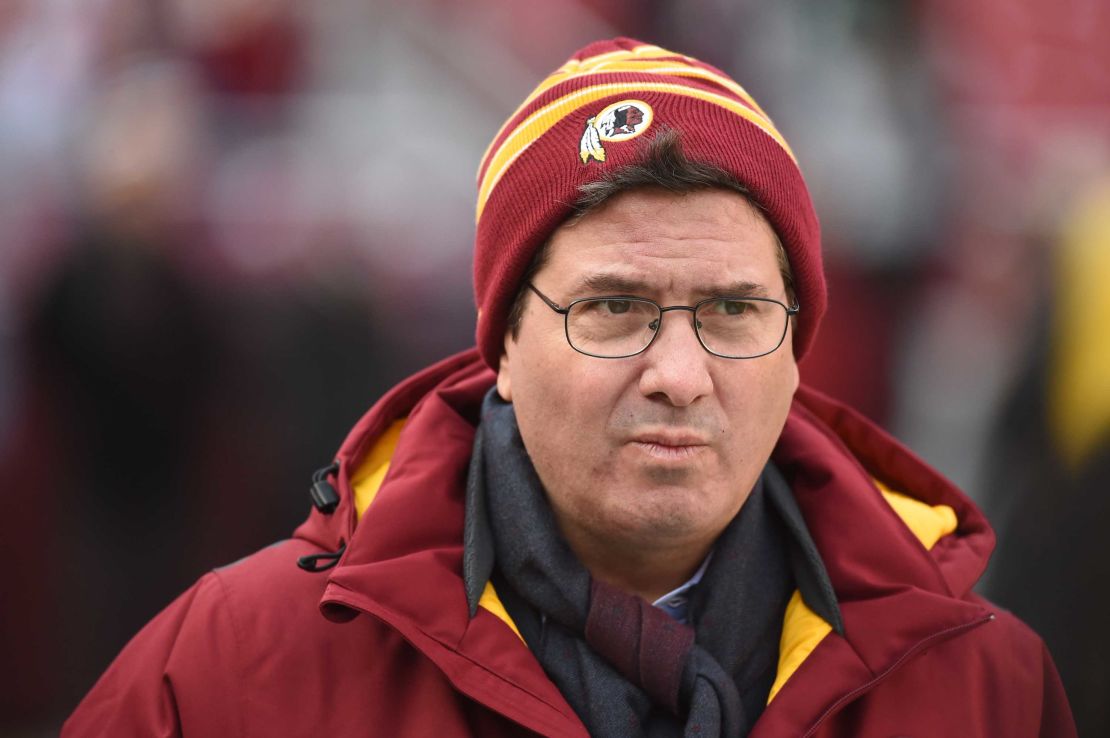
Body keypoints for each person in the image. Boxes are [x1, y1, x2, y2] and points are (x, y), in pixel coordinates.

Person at [64, 38, 1075, 737]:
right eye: (612, 310)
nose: (679, 377)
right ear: (499, 343)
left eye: (733, 313)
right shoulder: (228, 674)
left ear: (798, 346)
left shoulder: (981, 685)